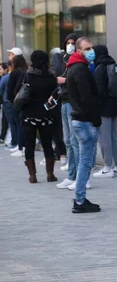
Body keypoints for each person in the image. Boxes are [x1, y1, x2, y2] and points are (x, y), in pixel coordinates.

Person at [67, 37, 102, 213]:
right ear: (79, 51)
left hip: (80, 119)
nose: (91, 51)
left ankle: (80, 198)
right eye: (87, 48)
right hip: (85, 121)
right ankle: (79, 200)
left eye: (91, 47)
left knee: (85, 161)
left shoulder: (73, 68)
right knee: (86, 162)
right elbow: (87, 98)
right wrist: (96, 120)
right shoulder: (81, 70)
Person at [17, 51, 58, 183]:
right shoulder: (51, 77)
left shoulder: (27, 76)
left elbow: (17, 92)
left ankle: (32, 175)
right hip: (47, 115)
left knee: (29, 145)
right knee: (47, 144)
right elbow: (56, 95)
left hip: (29, 114)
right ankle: (50, 174)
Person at [92, 45, 117, 178]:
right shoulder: (113, 64)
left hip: (103, 106)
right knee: (113, 137)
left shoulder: (100, 68)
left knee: (104, 137)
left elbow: (99, 91)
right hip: (113, 104)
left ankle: (107, 167)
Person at [54, 33, 80, 184]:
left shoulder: (79, 61)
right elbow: (58, 76)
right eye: (68, 42)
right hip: (63, 101)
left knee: (74, 140)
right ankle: (71, 175)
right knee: (68, 141)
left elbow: (76, 80)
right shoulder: (64, 59)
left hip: (72, 102)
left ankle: (77, 176)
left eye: (73, 43)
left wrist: (64, 80)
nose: (70, 45)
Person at [6, 54, 28, 157]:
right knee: (23, 124)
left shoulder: (14, 73)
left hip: (16, 101)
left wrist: (11, 100)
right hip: (25, 101)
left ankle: (20, 147)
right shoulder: (26, 72)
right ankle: (22, 146)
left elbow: (10, 89)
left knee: (18, 124)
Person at [0, 63, 9, 144]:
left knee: (6, 121)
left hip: (6, 101)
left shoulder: (5, 78)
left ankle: (3, 137)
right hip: (4, 101)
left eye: (1, 69)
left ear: (6, 69)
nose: (0, 71)